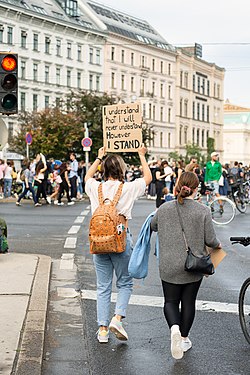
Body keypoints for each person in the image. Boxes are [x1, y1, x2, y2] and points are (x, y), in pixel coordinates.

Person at [85, 145, 152, 344]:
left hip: (98, 242)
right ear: (122, 170)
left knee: (103, 286)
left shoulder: (95, 187)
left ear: (103, 170)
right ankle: (117, 318)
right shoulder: (129, 188)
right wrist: (141, 155)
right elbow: (148, 177)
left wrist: (98, 158)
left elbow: (87, 177)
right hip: (120, 239)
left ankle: (103, 330)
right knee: (124, 282)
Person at [151, 172, 221, 359]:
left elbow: (153, 226)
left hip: (168, 265)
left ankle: (174, 328)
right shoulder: (203, 210)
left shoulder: (164, 208)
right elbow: (211, 240)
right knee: (188, 302)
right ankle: (183, 338)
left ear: (178, 185)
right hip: (193, 265)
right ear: (196, 189)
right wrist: (218, 246)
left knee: (170, 301)